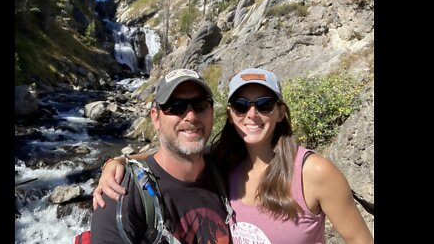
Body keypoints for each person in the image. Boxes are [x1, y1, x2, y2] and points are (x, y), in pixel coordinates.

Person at [95, 68, 374, 244]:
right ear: (230, 115)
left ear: (281, 112)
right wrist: (119, 163)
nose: (252, 114)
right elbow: (174, 152)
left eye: (264, 105)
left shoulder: (313, 172)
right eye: (241, 106)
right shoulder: (224, 163)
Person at [90, 68, 231, 244]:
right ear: (156, 118)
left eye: (200, 105)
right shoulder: (121, 196)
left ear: (211, 112)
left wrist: (119, 159)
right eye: (176, 107)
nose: (191, 116)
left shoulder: (225, 167)